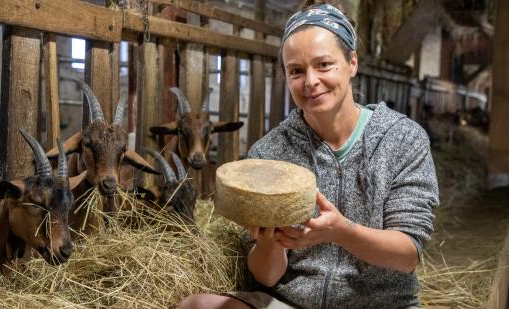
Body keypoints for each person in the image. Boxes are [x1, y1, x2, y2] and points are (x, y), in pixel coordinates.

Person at [179, 0, 439, 308]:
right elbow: (266, 277)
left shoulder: (402, 139)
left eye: (324, 65)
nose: (311, 82)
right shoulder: (270, 152)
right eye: (297, 71)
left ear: (352, 63)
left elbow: (408, 255)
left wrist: (342, 232)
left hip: (382, 304)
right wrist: (268, 239)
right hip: (295, 304)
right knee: (196, 306)